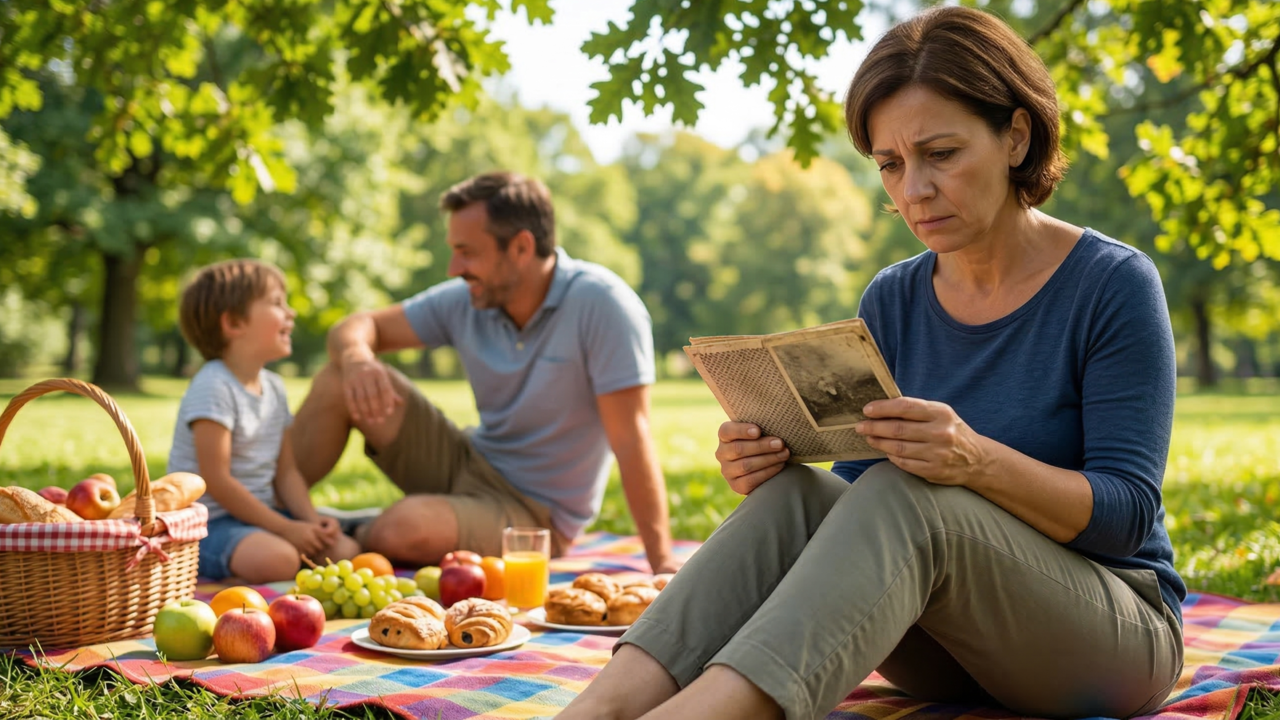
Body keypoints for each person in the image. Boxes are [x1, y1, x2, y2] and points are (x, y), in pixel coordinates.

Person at [559, 6, 1185, 720]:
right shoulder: (892, 297)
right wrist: (769, 461)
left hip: (1109, 641)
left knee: (911, 495)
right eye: (891, 163)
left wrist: (974, 460)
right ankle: (595, 712)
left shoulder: (1112, 284)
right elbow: (859, 511)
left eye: (940, 154)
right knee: (796, 498)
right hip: (941, 650)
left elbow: (1126, 517)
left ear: (1015, 136)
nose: (912, 189)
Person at [290, 171, 678, 573]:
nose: (454, 268)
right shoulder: (471, 298)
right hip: (467, 461)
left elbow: (631, 437)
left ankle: (333, 535)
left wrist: (662, 560)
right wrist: (356, 357)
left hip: (533, 512)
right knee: (340, 376)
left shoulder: (603, 305)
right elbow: (355, 326)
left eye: (467, 252)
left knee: (402, 529)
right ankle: (265, 513)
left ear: (522, 247)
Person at [169, 259, 360, 582]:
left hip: (261, 518)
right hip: (209, 525)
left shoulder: (273, 387)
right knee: (280, 560)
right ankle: (203, 573)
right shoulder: (213, 384)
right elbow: (218, 480)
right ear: (233, 323)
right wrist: (286, 528)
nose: (291, 313)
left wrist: (310, 521)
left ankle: (261, 563)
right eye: (276, 303)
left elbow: (286, 472)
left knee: (344, 552)